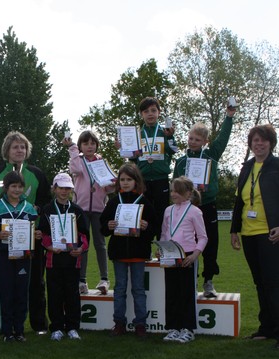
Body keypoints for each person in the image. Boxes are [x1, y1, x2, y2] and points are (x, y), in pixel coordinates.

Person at [230, 124, 279, 350]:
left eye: (263, 140)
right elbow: (239, 202)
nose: (259, 144)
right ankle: (266, 328)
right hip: (249, 233)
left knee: (272, 282)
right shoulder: (246, 167)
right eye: (255, 140)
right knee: (260, 283)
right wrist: (234, 230)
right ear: (250, 144)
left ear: (271, 143)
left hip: (271, 233)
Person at [0, 131, 50, 336]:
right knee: (0, 283)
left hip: (30, 237)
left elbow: (46, 200)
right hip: (3, 240)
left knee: (35, 281)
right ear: (7, 150)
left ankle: (39, 325)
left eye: (22, 147)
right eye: (15, 147)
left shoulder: (36, 174)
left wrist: (38, 211)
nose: (19, 150)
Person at [173, 104, 236, 297]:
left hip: (207, 205)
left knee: (210, 243)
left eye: (197, 139)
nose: (193, 142)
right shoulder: (181, 162)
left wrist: (229, 117)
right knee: (187, 242)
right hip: (187, 208)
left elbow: (223, 138)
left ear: (205, 141)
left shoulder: (211, 155)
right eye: (191, 138)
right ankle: (188, 279)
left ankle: (208, 280)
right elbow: (175, 186)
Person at [100, 163, 158, 337]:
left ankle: (140, 324)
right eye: (122, 179)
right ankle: (119, 323)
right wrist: (108, 225)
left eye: (129, 179)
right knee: (120, 289)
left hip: (138, 253)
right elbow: (103, 228)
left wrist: (147, 227)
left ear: (136, 181)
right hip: (119, 253)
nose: (125, 183)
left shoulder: (144, 202)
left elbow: (155, 228)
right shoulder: (113, 202)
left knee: (138, 290)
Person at [0, 171, 39, 342]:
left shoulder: (29, 207)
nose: (17, 190)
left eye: (20, 187)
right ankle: (7, 331)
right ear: (6, 188)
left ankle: (19, 330)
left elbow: (35, 229)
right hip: (3, 255)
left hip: (24, 256)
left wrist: (36, 234)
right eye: (13, 186)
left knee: (21, 293)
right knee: (6, 292)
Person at [38, 173, 89, 341]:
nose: (64, 191)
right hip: (53, 260)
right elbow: (43, 234)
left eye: (67, 188)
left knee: (72, 295)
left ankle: (73, 327)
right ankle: (57, 327)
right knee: (55, 294)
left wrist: (80, 249)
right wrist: (49, 246)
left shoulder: (77, 210)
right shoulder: (47, 209)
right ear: (54, 189)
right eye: (61, 188)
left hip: (73, 260)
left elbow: (84, 235)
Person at [63, 130, 113, 295]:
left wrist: (112, 183)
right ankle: (82, 280)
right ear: (80, 146)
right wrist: (72, 148)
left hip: (99, 209)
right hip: (81, 210)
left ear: (97, 145)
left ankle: (104, 279)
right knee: (82, 245)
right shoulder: (78, 160)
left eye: (92, 143)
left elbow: (109, 188)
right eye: (85, 144)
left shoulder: (101, 162)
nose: (89, 146)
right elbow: (76, 170)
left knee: (100, 244)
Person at [160, 177, 207, 344]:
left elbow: (203, 237)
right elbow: (164, 233)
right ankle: (173, 328)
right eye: (172, 190)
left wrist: (194, 255)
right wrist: (161, 249)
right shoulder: (168, 210)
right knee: (171, 292)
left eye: (178, 191)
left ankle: (188, 329)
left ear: (188, 193)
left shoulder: (195, 211)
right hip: (170, 254)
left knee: (186, 293)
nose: (174, 194)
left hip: (187, 256)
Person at [128, 97, 179, 230]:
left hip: (161, 180)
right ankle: (146, 243)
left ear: (159, 112)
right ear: (141, 114)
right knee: (144, 216)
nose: (150, 114)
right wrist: (124, 148)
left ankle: (162, 242)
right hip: (143, 181)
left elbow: (174, 150)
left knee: (162, 216)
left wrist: (170, 136)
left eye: (153, 110)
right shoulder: (137, 135)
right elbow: (132, 158)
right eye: (146, 111)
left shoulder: (164, 132)